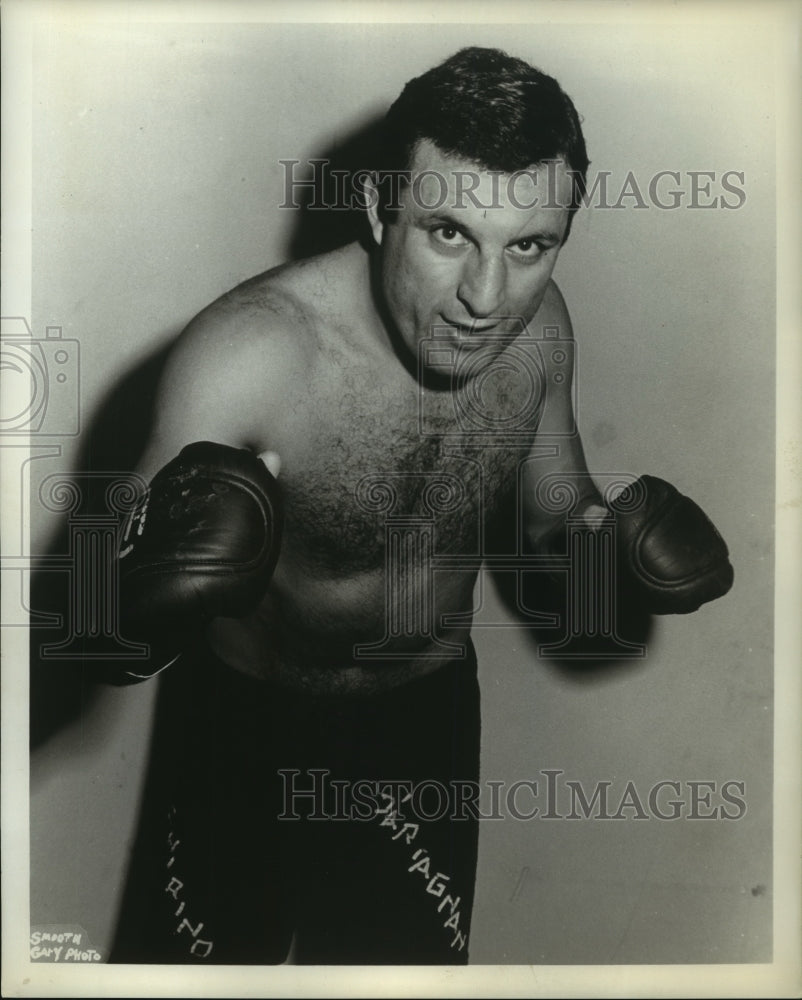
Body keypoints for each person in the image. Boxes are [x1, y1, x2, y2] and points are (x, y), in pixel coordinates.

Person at [104, 47, 733, 965]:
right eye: (448, 233)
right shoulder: (249, 356)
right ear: (377, 208)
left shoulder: (541, 331)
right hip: (245, 727)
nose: (487, 299)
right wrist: (142, 597)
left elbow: (558, 508)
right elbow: (94, 625)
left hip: (420, 728)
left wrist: (610, 547)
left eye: (528, 246)